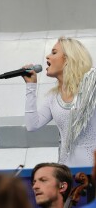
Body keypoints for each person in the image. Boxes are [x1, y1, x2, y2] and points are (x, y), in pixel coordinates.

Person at [22, 37, 96, 166]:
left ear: (68, 59)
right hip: (67, 171)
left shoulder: (92, 85)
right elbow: (32, 125)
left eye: (54, 52)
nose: (47, 56)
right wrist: (31, 87)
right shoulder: (53, 97)